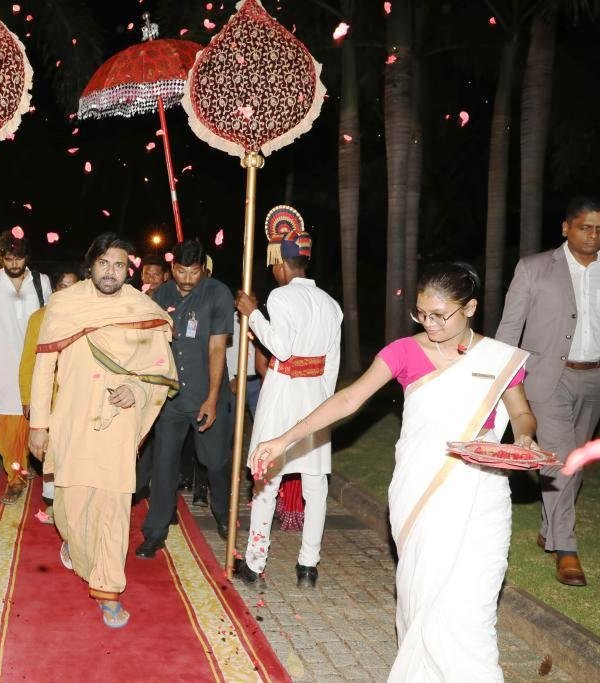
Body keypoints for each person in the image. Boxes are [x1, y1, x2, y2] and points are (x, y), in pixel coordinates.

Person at [252, 262, 537, 680]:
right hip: (420, 492)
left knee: (473, 606)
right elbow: (349, 400)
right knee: (423, 597)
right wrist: (284, 439)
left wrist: (525, 439)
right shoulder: (402, 352)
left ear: (471, 308)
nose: (430, 323)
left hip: (483, 495)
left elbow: (522, 413)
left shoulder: (499, 358)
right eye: (422, 313)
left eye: (441, 315)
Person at [29, 232, 178, 628]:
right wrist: (38, 425)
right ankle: (78, 552)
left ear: (127, 271)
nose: (110, 272)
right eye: (103, 264)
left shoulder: (140, 307)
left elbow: (160, 369)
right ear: (90, 265)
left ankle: (109, 590)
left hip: (118, 424)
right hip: (72, 421)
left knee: (113, 509)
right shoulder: (64, 306)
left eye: (118, 265)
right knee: (70, 512)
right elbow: (44, 368)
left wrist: (138, 390)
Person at [495, 194, 600, 587]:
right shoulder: (534, 268)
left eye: (599, 229)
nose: (592, 235)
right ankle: (566, 549)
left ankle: (548, 529)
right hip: (547, 378)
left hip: (594, 378)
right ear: (566, 228)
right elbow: (509, 330)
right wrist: (503, 379)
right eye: (585, 227)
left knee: (574, 463)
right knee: (559, 459)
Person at [233, 213, 341, 588]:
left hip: (281, 396)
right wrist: (322, 402)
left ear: (280, 263)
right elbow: (332, 366)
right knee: (316, 487)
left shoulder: (280, 297)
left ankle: (255, 563)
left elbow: (280, 346)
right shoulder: (330, 304)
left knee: (266, 481)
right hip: (315, 400)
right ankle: (308, 565)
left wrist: (253, 315)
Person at [136, 238, 235, 558]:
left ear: (203, 269)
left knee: (214, 462)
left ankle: (224, 514)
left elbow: (218, 348)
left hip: (208, 395)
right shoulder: (158, 294)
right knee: (164, 465)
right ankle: (155, 532)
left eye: (194, 272)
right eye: (181, 271)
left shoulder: (217, 293)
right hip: (171, 399)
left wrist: (211, 398)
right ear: (171, 269)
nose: (188, 279)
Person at [0, 231, 52, 504]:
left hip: (34, 367)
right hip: (1, 368)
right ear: (1, 258)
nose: (14, 264)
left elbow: (50, 325)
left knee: (34, 421)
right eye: (9, 258)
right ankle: (15, 477)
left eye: (19, 258)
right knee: (5, 428)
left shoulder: (41, 283)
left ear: (26, 258)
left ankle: (25, 464)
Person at [19, 265, 81, 516]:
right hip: (48, 398)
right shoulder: (39, 318)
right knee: (50, 448)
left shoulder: (88, 316)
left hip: (77, 396)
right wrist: (27, 398)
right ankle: (51, 496)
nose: (68, 293)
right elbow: (28, 362)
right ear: (55, 290)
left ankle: (74, 495)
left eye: (73, 288)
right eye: (63, 287)